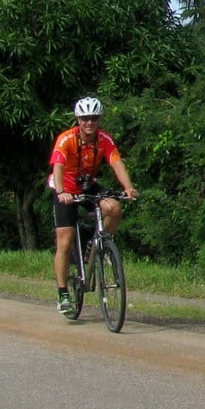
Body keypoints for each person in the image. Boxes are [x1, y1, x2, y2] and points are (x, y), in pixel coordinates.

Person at [50, 96, 137, 319]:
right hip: (66, 188)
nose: (90, 122)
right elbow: (58, 167)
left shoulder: (104, 139)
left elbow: (117, 163)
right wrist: (61, 193)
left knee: (114, 208)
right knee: (65, 240)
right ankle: (63, 295)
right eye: (85, 118)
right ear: (78, 119)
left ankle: (98, 244)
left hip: (88, 185)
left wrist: (128, 188)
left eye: (94, 118)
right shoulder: (66, 139)